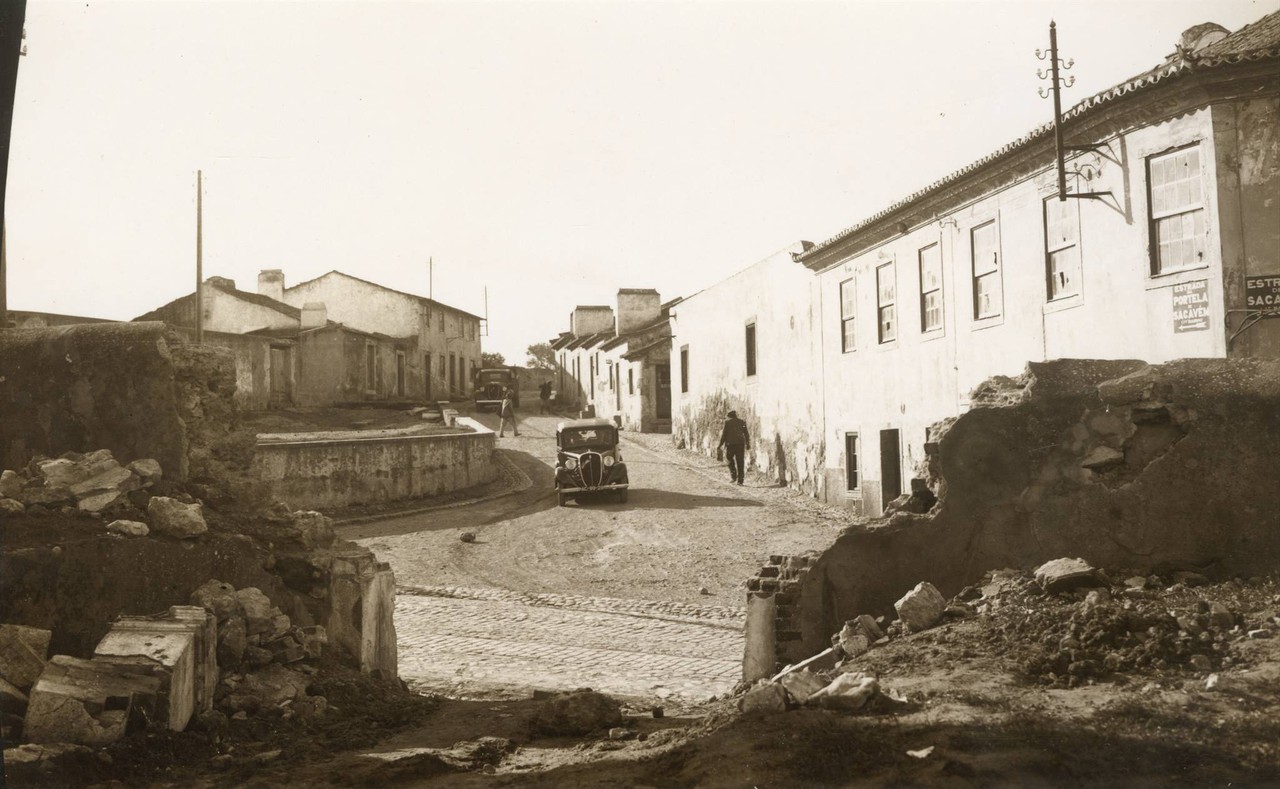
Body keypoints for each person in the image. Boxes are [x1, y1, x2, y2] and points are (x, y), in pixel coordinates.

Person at [717, 409, 750, 485]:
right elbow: (746, 434)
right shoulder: (742, 422)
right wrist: (748, 444)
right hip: (740, 445)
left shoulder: (727, 423)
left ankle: (734, 475)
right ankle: (740, 481)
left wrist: (720, 445)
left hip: (730, 445)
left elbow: (724, 435)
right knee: (740, 462)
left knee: (729, 459)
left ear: (729, 417)